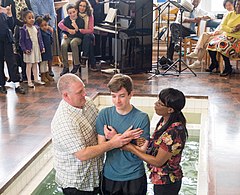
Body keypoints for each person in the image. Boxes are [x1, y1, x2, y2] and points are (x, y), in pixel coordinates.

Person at [51, 73, 143, 195]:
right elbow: (82, 154)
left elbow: (103, 127)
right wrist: (114, 142)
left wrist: (119, 136)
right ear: (66, 95)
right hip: (77, 183)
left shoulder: (87, 103)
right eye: (80, 92)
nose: (85, 93)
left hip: (95, 175)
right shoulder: (64, 121)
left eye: (83, 89)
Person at [122, 88, 188, 195]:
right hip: (160, 180)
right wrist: (144, 142)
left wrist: (131, 148)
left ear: (170, 110)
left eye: (160, 103)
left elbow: (158, 162)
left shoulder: (174, 131)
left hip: (167, 183)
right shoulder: (164, 120)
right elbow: (158, 144)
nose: (155, 104)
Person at [96, 74, 150, 195]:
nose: (117, 101)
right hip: (110, 175)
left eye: (122, 96)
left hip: (134, 176)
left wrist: (114, 139)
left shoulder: (141, 118)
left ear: (131, 94)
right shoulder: (104, 114)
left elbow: (141, 151)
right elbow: (101, 147)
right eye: (113, 96)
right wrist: (126, 138)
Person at [187, 0, 234, 68]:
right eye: (226, 6)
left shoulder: (234, 15)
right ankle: (196, 52)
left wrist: (219, 32)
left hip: (224, 34)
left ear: (233, 5)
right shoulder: (226, 14)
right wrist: (215, 31)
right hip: (218, 32)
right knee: (204, 35)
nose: (228, 7)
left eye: (229, 5)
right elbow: (220, 25)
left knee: (206, 43)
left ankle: (198, 61)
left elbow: (228, 28)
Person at [59, 0, 97, 72]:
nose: (82, 8)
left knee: (87, 37)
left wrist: (78, 29)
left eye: (84, 6)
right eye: (80, 5)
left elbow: (91, 30)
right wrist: (67, 31)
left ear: (87, 7)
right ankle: (66, 67)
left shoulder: (88, 16)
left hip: (85, 35)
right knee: (63, 44)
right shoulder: (72, 14)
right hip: (71, 35)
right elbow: (60, 24)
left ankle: (83, 59)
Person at [206, 0, 240, 76]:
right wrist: (232, 29)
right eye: (237, 4)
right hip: (226, 35)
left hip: (237, 37)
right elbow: (222, 26)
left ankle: (228, 67)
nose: (238, 6)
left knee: (223, 45)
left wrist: (235, 30)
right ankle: (215, 63)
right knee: (211, 44)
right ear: (235, 5)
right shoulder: (230, 14)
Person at [1, 0, 32, 82]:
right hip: (10, 33)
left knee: (14, 60)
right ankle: (4, 83)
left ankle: (21, 79)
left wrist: (9, 14)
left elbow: (10, 25)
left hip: (11, 36)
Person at [0, 5, 25, 94]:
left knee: (12, 61)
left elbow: (11, 25)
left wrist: (9, 14)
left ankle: (17, 84)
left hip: (7, 40)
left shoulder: (3, 12)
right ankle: (1, 84)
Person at [30, 0, 58, 77]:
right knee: (42, 51)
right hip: (39, 26)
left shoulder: (50, 1)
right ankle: (42, 71)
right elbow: (36, 15)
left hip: (49, 26)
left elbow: (53, 14)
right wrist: (44, 25)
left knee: (49, 51)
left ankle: (50, 69)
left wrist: (50, 26)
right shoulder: (33, 1)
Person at [19, 9, 45, 88]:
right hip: (29, 50)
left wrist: (42, 47)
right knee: (29, 65)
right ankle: (29, 80)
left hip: (36, 48)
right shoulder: (23, 29)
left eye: (32, 17)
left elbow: (39, 39)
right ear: (25, 19)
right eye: (29, 18)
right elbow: (21, 41)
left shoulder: (36, 28)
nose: (32, 19)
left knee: (35, 64)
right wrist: (24, 49)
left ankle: (36, 79)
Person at [58, 3, 85, 76]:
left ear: (76, 11)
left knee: (73, 42)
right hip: (68, 37)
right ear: (67, 13)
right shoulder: (66, 20)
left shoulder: (80, 20)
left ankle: (76, 64)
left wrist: (76, 28)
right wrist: (64, 34)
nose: (72, 14)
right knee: (63, 44)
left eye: (73, 12)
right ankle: (65, 66)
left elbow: (81, 33)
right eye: (70, 13)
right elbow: (63, 30)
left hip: (78, 37)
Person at [35, 15, 54, 83]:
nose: (44, 27)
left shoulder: (48, 32)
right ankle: (43, 75)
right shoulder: (40, 33)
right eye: (42, 26)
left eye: (45, 25)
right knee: (43, 63)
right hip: (43, 51)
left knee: (46, 63)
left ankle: (47, 74)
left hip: (48, 50)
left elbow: (51, 40)